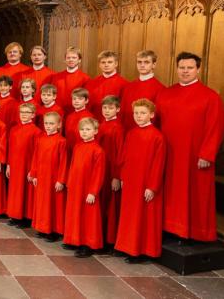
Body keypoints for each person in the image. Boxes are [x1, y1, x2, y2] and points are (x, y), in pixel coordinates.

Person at [156, 52, 224, 242]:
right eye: (182, 68)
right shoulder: (165, 93)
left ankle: (194, 233)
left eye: (190, 68)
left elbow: (215, 129)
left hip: (196, 157)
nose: (185, 71)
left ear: (198, 69)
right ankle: (169, 228)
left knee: (195, 194)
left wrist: (207, 155)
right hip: (169, 155)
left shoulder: (210, 97)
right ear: (176, 68)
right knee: (170, 193)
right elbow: (157, 125)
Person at [115, 99, 166, 263]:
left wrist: (152, 187)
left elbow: (158, 165)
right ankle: (127, 247)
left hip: (145, 183)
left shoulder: (157, 137)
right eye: (136, 113)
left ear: (151, 115)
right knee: (129, 215)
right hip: (130, 181)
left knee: (143, 217)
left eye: (143, 113)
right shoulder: (131, 133)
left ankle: (141, 251)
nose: (138, 116)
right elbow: (124, 158)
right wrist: (122, 177)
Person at [63, 117, 106, 258]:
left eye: (88, 129)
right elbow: (73, 165)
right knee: (74, 214)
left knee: (88, 217)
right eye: (82, 129)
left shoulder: (98, 150)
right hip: (75, 186)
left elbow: (98, 174)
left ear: (95, 131)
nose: (84, 132)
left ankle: (88, 244)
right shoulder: (77, 146)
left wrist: (93, 192)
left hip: (87, 189)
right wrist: (69, 182)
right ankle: (74, 239)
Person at [29, 112, 68, 242]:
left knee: (53, 204)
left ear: (59, 125)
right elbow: (35, 157)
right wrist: (34, 174)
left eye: (51, 124)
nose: (48, 126)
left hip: (54, 178)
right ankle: (42, 227)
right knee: (42, 203)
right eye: (46, 123)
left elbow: (64, 163)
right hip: (41, 176)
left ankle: (53, 231)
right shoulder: (41, 138)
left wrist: (61, 180)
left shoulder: (61, 141)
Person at [5, 103, 41, 228]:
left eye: (27, 112)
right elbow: (10, 148)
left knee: (26, 192)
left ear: (33, 115)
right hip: (14, 165)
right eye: (22, 112)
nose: (24, 115)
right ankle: (15, 215)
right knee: (15, 191)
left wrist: (33, 170)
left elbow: (37, 153)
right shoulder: (14, 129)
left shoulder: (36, 131)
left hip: (27, 166)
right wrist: (8, 165)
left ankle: (25, 217)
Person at [97, 95, 124, 246]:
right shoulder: (100, 125)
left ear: (118, 109)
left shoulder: (118, 128)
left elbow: (120, 154)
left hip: (110, 171)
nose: (107, 111)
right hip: (100, 169)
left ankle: (109, 240)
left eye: (111, 108)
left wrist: (116, 176)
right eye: (104, 108)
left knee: (109, 205)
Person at [119, 50, 165, 129]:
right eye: (139, 62)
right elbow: (122, 113)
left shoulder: (160, 89)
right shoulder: (128, 87)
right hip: (127, 132)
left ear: (154, 64)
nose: (142, 65)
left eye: (146, 62)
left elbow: (158, 117)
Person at [85, 51, 128, 117]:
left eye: (110, 62)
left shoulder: (124, 84)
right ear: (99, 64)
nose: (106, 65)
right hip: (93, 121)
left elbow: (123, 107)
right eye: (103, 62)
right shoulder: (91, 83)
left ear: (116, 64)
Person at [46, 47, 90, 112]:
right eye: (68, 58)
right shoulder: (56, 77)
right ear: (65, 60)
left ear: (79, 60)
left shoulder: (85, 78)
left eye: (74, 57)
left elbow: (85, 98)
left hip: (75, 112)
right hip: (57, 112)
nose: (71, 60)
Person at [64, 88, 94, 161]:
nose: (76, 101)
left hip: (82, 150)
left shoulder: (89, 116)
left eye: (80, 99)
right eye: (74, 99)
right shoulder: (69, 116)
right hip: (69, 150)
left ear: (86, 101)